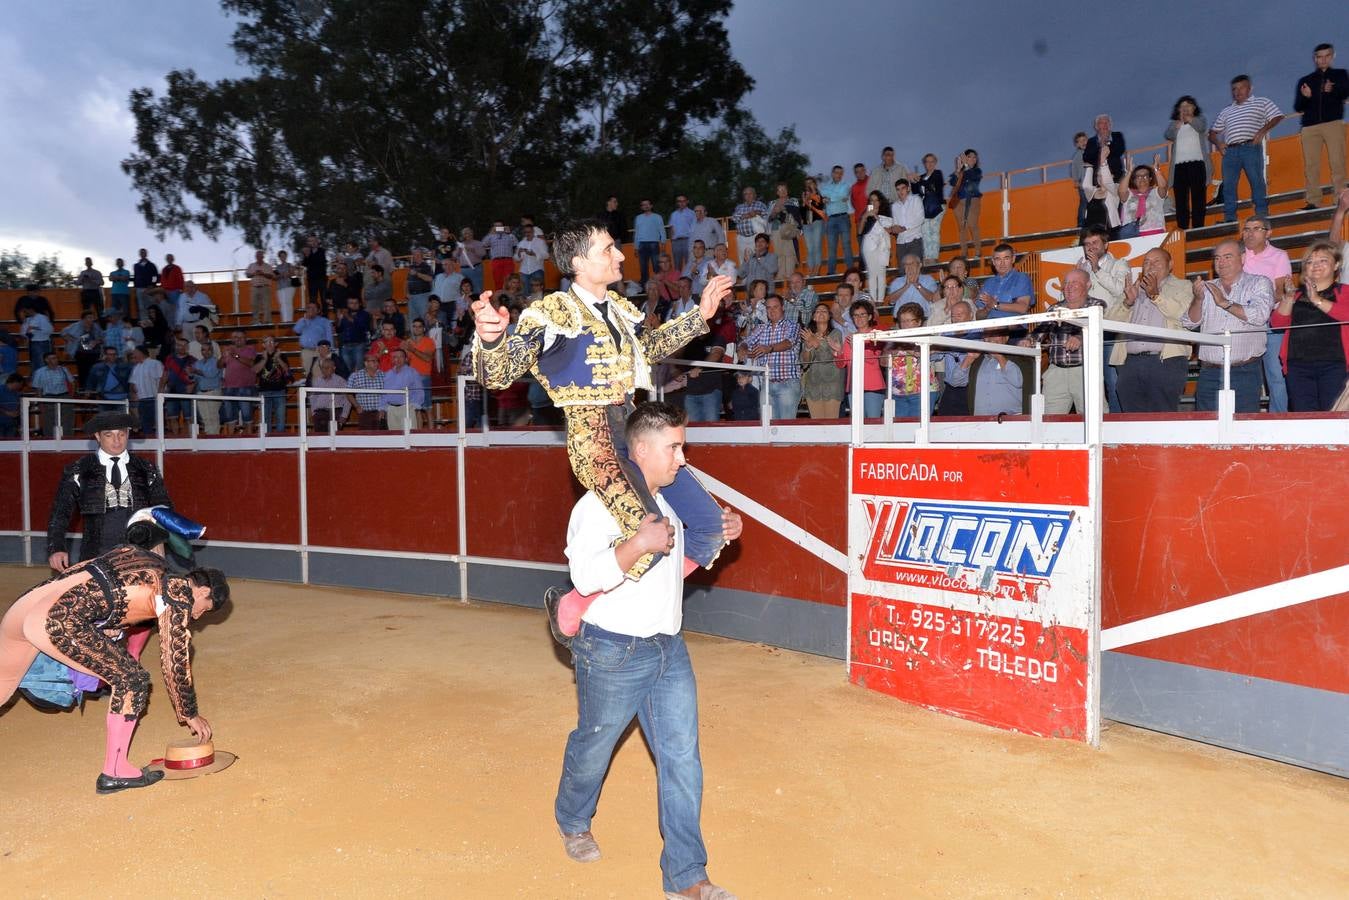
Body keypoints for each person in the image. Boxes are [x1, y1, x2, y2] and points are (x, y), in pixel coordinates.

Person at [470, 219, 734, 639]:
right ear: (578, 262)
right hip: (596, 439)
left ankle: (583, 603)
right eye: (608, 249)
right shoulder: (551, 313)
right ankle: (579, 607)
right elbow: (499, 373)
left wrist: (699, 315)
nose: (621, 255)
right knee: (649, 536)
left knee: (709, 526)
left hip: (639, 430)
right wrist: (489, 339)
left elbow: (647, 349)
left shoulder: (622, 309)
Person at [552, 403, 742, 898]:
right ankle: (573, 818)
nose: (682, 458)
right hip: (611, 650)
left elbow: (681, 564)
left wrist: (722, 530)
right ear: (640, 450)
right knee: (594, 747)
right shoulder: (596, 505)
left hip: (667, 649)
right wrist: (636, 544)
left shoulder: (673, 503)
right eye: (673, 447)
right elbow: (587, 576)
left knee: (682, 760)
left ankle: (687, 877)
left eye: (682, 446)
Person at [0, 541, 227, 793]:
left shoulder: (147, 560)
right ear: (202, 590)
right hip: (57, 619)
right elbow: (175, 657)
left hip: (25, 606)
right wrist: (189, 712)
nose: (196, 617)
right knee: (133, 681)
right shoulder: (178, 589)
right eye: (204, 609)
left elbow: (97, 578)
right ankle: (115, 772)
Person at [45, 411, 174, 570]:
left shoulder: (146, 469)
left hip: (139, 551)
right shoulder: (79, 470)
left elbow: (164, 509)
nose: (117, 441)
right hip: (95, 552)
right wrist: (56, 547)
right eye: (109, 435)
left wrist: (157, 539)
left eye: (121, 434)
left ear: (128, 434)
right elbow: (60, 513)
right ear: (97, 436)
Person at [1181, 240, 1274, 412]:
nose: (1221, 262)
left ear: (1243, 258)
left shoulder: (1259, 283)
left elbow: (1260, 315)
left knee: (1243, 428)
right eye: (1217, 258)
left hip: (1244, 370)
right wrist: (1198, 299)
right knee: (1207, 428)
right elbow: (1189, 322)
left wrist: (1225, 303)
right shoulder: (1206, 288)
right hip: (1209, 372)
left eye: (1227, 257)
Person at [1106, 248, 1193, 413]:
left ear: (1170, 265)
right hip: (1129, 363)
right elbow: (1108, 323)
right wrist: (1127, 303)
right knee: (1131, 422)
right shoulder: (1132, 289)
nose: (1150, 265)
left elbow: (1184, 316)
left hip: (1166, 362)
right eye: (1146, 262)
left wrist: (1155, 295)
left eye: (1156, 261)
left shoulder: (1183, 286)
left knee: (1163, 419)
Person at [1270, 242, 1349, 410]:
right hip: (1297, 365)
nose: (1315, 265)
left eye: (1323, 260)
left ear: (1336, 265)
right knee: (1303, 419)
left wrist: (1317, 299)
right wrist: (1289, 298)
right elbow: (1277, 324)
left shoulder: (1344, 291)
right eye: (1310, 261)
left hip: (1335, 365)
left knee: (1332, 417)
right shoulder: (1297, 294)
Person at [1023, 269, 1106, 414]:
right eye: (1066, 283)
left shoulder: (1097, 305)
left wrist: (1080, 337)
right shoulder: (1055, 308)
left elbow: (1097, 327)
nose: (1069, 286)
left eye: (1075, 282)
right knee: (1050, 422)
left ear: (1088, 285)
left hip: (1085, 371)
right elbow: (1040, 331)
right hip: (1056, 372)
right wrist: (1028, 340)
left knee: (1094, 418)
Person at [1210, 75, 1285, 222]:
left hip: (1250, 147)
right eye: (1234, 89)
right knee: (1228, 186)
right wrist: (1218, 144)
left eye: (1241, 87)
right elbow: (1212, 133)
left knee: (1256, 181)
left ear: (1250, 89)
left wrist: (1262, 131)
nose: (1237, 91)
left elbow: (1277, 116)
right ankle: (1230, 218)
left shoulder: (1261, 102)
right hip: (1230, 151)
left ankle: (1262, 214)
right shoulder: (1226, 111)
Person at [1241, 216, 1293, 413]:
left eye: (1256, 228)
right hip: (1243, 322)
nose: (1250, 233)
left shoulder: (1279, 256)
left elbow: (1280, 290)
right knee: (1245, 373)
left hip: (1271, 321)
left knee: (1275, 376)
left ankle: (1278, 420)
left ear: (1268, 233)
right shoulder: (1238, 255)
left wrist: (1257, 307)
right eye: (1246, 229)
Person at [1294, 44, 1349, 210]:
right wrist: (1306, 97)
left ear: (1332, 57)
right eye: (1319, 56)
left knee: (1337, 162)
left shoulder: (1340, 75)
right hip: (1310, 127)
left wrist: (1333, 89)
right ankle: (1313, 201)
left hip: (1333, 124)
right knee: (1311, 166)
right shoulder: (1305, 80)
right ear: (1315, 58)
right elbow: (1298, 106)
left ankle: (1341, 199)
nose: (1323, 59)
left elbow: (1346, 93)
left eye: (1326, 56)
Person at [743, 295, 802, 420]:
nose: (772, 310)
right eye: (768, 308)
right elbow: (746, 342)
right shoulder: (761, 328)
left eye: (775, 307)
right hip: (766, 385)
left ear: (783, 308)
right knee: (767, 428)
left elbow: (788, 342)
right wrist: (743, 348)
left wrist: (769, 348)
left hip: (788, 384)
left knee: (786, 428)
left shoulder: (793, 325)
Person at [1165, 96, 1213, 230]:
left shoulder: (1200, 119)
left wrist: (1189, 119)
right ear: (1178, 110)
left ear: (1194, 108)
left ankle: (1198, 227)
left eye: (1188, 106)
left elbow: (1202, 127)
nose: (1185, 109)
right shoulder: (1175, 123)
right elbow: (1168, 135)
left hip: (1197, 164)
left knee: (1198, 197)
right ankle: (1183, 228)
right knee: (1181, 200)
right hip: (1179, 166)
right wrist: (1177, 124)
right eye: (1182, 107)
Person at [834, 300, 888, 417]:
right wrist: (839, 352)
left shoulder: (876, 335)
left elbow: (873, 359)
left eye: (862, 314)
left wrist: (857, 348)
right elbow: (842, 365)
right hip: (853, 386)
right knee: (857, 424)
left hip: (873, 385)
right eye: (856, 315)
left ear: (869, 317)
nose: (859, 318)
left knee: (873, 423)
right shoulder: (850, 338)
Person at [890, 303, 939, 417]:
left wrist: (909, 349)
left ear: (919, 322)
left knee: (919, 427)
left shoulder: (929, 337)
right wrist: (891, 352)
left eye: (909, 320)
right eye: (902, 321)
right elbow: (882, 361)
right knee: (899, 430)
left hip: (922, 391)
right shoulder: (894, 338)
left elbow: (935, 354)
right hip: (898, 393)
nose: (905, 324)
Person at [800, 303, 845, 418]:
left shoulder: (836, 333)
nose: (820, 313)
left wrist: (815, 343)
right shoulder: (809, 335)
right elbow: (804, 364)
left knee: (831, 426)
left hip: (832, 386)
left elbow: (827, 358)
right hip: (813, 386)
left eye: (824, 311)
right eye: (817, 311)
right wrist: (808, 347)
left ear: (829, 316)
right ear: (813, 317)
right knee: (817, 426)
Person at [934, 300, 978, 417]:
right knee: (943, 421)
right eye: (953, 316)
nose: (956, 319)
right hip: (950, 387)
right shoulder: (947, 333)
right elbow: (935, 356)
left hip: (971, 389)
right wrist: (934, 349)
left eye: (960, 315)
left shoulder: (979, 333)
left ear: (971, 315)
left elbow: (972, 357)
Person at [967, 331, 1024, 416]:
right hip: (980, 422)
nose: (991, 338)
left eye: (996, 333)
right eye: (987, 334)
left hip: (1009, 422)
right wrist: (969, 359)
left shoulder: (1019, 356)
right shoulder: (977, 360)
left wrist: (999, 356)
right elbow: (956, 381)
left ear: (1006, 338)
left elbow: (1017, 381)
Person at [1117, 158, 1170, 239]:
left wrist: (1156, 170)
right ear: (1134, 180)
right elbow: (1121, 191)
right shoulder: (1129, 194)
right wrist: (1129, 172)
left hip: (1156, 233)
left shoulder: (1156, 192)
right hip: (1131, 235)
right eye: (1138, 177)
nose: (1142, 178)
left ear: (1150, 178)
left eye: (1145, 176)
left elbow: (1163, 186)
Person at [857, 191, 894, 304]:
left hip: (883, 245)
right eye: (871, 200)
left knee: (881, 272)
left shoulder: (887, 212)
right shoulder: (867, 213)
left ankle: (880, 300)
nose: (873, 202)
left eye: (876, 200)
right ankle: (873, 300)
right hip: (869, 245)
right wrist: (865, 217)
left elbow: (889, 228)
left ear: (880, 201)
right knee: (872, 273)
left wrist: (877, 217)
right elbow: (860, 231)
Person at [220, 331, 259, 435]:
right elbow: (219, 365)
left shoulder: (250, 349)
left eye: (240, 337)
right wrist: (223, 356)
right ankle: (231, 441)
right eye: (235, 337)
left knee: (247, 416)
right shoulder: (228, 350)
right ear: (232, 339)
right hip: (229, 387)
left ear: (245, 339)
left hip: (245, 387)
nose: (238, 339)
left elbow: (251, 363)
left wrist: (236, 355)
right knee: (230, 416)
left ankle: (250, 441)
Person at [949, 149, 982, 265]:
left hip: (973, 200)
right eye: (969, 157)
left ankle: (978, 251)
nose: (973, 159)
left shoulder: (977, 171)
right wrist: (958, 169)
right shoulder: (962, 171)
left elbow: (973, 176)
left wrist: (966, 165)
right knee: (962, 228)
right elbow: (953, 182)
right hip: (959, 200)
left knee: (973, 225)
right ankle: (964, 253)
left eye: (974, 157)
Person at [31, 351, 75, 437]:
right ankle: (49, 439)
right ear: (46, 360)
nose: (55, 360)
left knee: (67, 420)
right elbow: (38, 388)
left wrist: (71, 397)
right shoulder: (39, 372)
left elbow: (72, 383)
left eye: (56, 358)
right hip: (48, 397)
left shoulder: (63, 369)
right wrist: (40, 402)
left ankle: (67, 439)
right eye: (53, 358)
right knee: (48, 421)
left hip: (64, 396)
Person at [819, 165, 853, 274]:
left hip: (843, 217)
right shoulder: (824, 186)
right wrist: (837, 197)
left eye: (841, 173)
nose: (839, 175)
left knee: (846, 246)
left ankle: (851, 270)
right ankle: (831, 272)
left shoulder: (846, 185)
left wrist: (830, 198)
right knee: (831, 248)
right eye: (836, 172)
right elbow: (823, 197)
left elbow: (843, 195)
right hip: (830, 219)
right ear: (832, 173)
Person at [885, 253, 937, 321]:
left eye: (912, 263)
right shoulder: (897, 281)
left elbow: (932, 298)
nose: (909, 266)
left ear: (920, 265)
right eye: (906, 264)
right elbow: (891, 300)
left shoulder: (928, 279)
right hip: (902, 321)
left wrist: (917, 284)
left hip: (924, 319)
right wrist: (906, 286)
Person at [913, 154, 946, 263]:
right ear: (924, 164)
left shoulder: (937, 173)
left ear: (935, 163)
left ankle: (933, 257)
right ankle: (927, 257)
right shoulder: (921, 177)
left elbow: (934, 185)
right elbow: (915, 192)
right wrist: (913, 181)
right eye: (927, 161)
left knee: (934, 231)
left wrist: (919, 180)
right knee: (925, 232)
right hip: (925, 208)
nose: (930, 164)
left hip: (937, 206)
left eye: (932, 161)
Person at [253, 335, 290, 433]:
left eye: (272, 342)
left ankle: (280, 441)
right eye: (267, 342)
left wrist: (278, 358)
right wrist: (264, 359)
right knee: (265, 420)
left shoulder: (282, 356)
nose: (269, 344)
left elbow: (286, 370)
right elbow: (256, 371)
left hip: (280, 391)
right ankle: (265, 442)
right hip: (264, 392)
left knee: (281, 419)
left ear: (276, 344)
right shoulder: (259, 357)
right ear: (263, 345)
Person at [381, 348, 423, 431]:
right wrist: (382, 408)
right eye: (395, 357)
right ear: (392, 359)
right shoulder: (387, 374)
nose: (398, 359)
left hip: (407, 408)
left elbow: (419, 390)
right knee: (394, 437)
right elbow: (384, 393)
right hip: (391, 409)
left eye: (401, 357)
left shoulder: (412, 372)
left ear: (406, 359)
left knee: (410, 435)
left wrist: (414, 406)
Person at [293, 301, 335, 377]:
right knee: (309, 374)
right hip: (306, 351)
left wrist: (329, 353)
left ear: (318, 310)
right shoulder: (302, 320)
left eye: (313, 308)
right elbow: (296, 330)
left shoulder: (324, 321)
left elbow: (329, 338)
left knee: (321, 373)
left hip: (320, 351)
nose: (311, 310)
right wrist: (305, 320)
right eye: (309, 308)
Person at [308, 356, 351, 430]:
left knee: (334, 440)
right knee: (319, 440)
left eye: (328, 367)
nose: (324, 370)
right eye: (323, 368)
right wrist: (313, 412)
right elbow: (313, 398)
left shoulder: (341, 381)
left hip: (335, 413)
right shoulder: (318, 381)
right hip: (319, 414)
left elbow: (348, 399)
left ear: (334, 368)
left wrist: (344, 415)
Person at [730, 188, 769, 265]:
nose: (748, 196)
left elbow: (767, 215)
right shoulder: (739, 207)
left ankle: (757, 277)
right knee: (743, 259)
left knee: (758, 258)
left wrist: (757, 212)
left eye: (750, 193)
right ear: (743, 196)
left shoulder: (760, 204)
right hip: (741, 237)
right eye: (745, 194)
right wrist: (747, 215)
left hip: (756, 237)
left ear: (755, 195)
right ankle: (745, 277)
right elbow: (734, 218)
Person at [1083, 114, 1127, 183]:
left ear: (1110, 125)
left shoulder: (1117, 135)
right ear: (1096, 126)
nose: (1105, 125)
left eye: (1107, 122)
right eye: (1101, 123)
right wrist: (1100, 146)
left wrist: (1107, 144)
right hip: (1099, 177)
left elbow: (1120, 150)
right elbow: (1086, 158)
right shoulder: (1091, 141)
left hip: (1117, 175)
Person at [348, 353, 386, 430]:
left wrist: (384, 409)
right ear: (366, 363)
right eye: (373, 361)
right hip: (364, 413)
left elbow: (387, 394)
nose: (377, 363)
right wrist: (357, 406)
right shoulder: (355, 376)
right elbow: (348, 393)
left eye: (377, 361)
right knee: (365, 439)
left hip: (380, 412)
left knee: (381, 439)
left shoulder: (384, 375)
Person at [889, 179, 924, 263]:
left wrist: (904, 228)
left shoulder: (916, 199)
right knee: (902, 271)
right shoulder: (894, 206)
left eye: (903, 188)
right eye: (898, 189)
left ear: (908, 188)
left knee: (916, 269)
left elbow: (920, 219)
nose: (900, 191)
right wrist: (894, 228)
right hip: (901, 242)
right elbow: (895, 223)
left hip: (914, 240)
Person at [336, 295, 372, 374]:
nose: (354, 305)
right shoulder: (345, 314)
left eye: (356, 303)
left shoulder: (364, 314)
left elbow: (362, 327)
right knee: (347, 371)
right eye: (351, 303)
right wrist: (339, 319)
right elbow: (339, 330)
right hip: (345, 346)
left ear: (360, 304)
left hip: (359, 345)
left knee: (360, 370)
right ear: (347, 304)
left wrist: (347, 316)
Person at [633, 199, 666, 285]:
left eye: (647, 204)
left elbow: (662, 230)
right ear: (641, 207)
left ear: (651, 206)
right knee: (643, 267)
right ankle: (645, 286)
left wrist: (663, 242)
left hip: (654, 244)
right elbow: (637, 233)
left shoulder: (657, 217)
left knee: (656, 266)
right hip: (642, 244)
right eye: (644, 205)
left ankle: (659, 284)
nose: (646, 206)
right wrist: (636, 247)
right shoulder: (638, 218)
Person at [800, 176, 827, 275]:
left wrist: (812, 195)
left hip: (817, 222)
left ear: (814, 184)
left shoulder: (818, 195)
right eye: (806, 183)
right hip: (807, 224)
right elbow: (802, 210)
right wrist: (804, 201)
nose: (808, 185)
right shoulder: (804, 194)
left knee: (817, 246)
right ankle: (810, 270)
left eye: (810, 183)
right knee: (809, 248)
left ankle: (816, 269)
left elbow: (820, 207)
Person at [405, 248, 435, 326]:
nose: (416, 256)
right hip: (411, 297)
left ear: (422, 255)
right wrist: (407, 293)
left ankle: (426, 337)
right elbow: (407, 281)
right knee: (413, 320)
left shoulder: (426, 266)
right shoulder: (412, 266)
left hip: (423, 295)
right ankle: (415, 337)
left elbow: (430, 278)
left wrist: (417, 274)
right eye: (414, 255)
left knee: (425, 318)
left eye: (418, 255)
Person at [246, 250, 276, 325]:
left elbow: (271, 276)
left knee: (266, 305)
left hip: (265, 287)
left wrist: (263, 274)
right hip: (254, 287)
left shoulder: (268, 266)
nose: (258, 257)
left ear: (263, 256)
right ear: (255, 257)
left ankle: (267, 321)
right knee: (254, 305)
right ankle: (256, 321)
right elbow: (247, 275)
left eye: (260, 255)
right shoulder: (251, 265)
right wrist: (254, 273)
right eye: (257, 255)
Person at [668, 195, 696, 272]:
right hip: (676, 241)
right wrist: (672, 240)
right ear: (677, 203)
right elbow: (671, 228)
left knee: (689, 263)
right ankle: (677, 281)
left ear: (687, 202)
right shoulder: (673, 214)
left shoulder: (692, 213)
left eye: (683, 201)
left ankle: (689, 281)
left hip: (688, 240)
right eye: (679, 201)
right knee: (677, 264)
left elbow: (695, 228)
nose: (681, 203)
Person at [456, 227, 487, 294]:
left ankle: (478, 303)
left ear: (472, 234)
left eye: (468, 233)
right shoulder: (460, 245)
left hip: (475, 269)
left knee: (477, 288)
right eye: (464, 233)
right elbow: (455, 256)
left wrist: (473, 250)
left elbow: (483, 254)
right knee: (464, 289)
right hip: (463, 270)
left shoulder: (478, 243)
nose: (467, 235)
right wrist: (458, 250)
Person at [1069, 132, 1089, 228]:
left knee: (1094, 203)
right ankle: (1081, 223)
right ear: (1077, 145)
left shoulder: (1093, 152)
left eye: (1084, 140)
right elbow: (1074, 168)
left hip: (1093, 183)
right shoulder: (1077, 156)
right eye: (1080, 141)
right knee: (1084, 203)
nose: (1083, 142)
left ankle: (1092, 220)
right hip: (1083, 184)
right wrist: (1076, 180)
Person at [274, 250, 299, 324]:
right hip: (280, 287)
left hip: (289, 286)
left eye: (284, 256)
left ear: (286, 256)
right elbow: (275, 277)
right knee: (282, 304)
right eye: (281, 256)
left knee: (288, 303)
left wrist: (287, 274)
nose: (283, 257)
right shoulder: (277, 267)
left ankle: (289, 320)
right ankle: (284, 320)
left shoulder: (289, 265)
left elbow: (293, 273)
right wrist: (282, 275)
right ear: (279, 257)